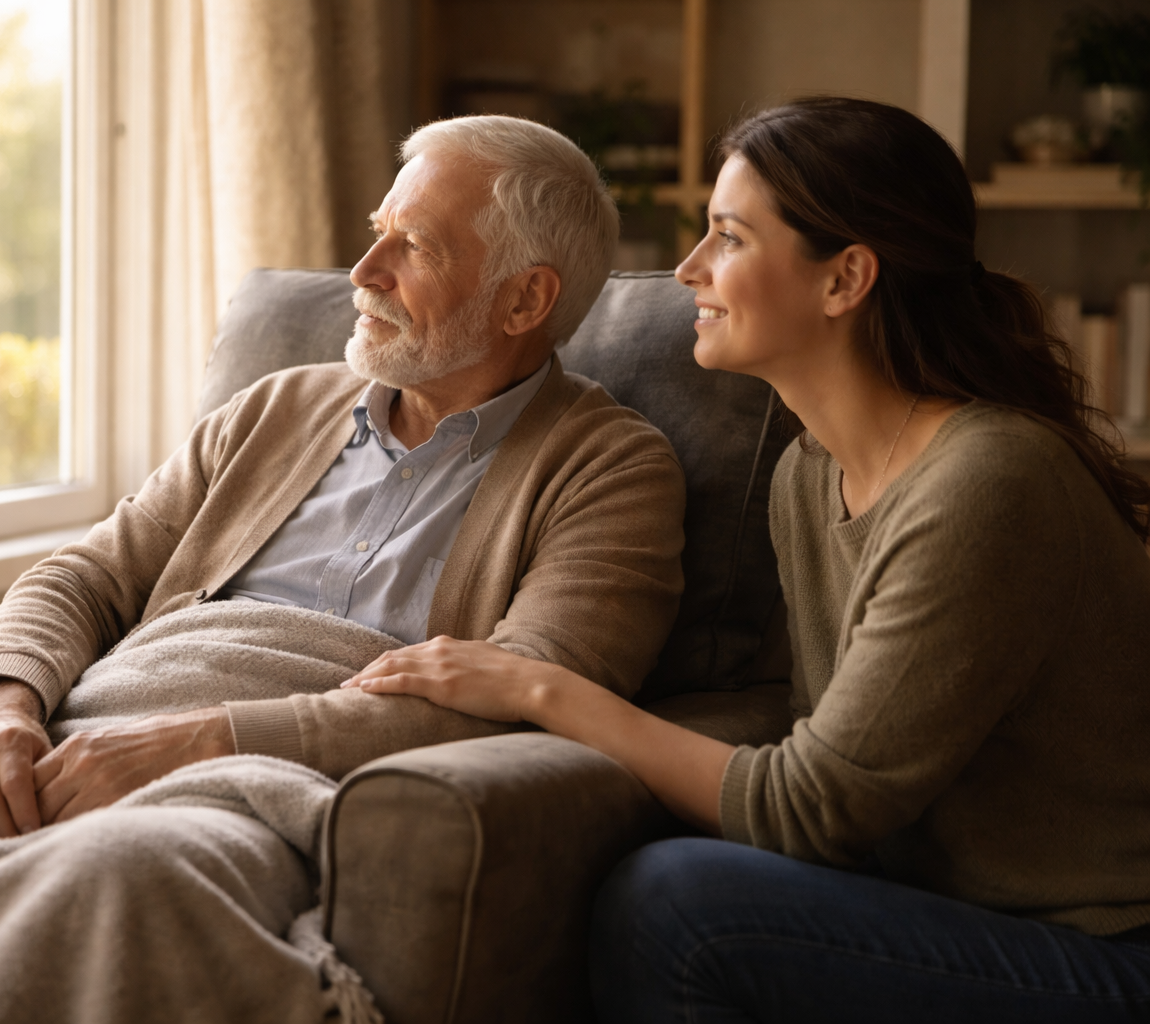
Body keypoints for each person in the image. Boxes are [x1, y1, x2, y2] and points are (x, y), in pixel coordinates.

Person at [0, 115, 687, 1022]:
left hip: (266, 768)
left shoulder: (613, 469)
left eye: (413, 247)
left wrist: (198, 739)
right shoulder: (280, 407)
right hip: (86, 706)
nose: (361, 274)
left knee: (119, 877)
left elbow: (534, 700)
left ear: (521, 299)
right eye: (375, 236)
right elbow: (82, 576)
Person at [344, 96, 1150, 1022]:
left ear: (845, 278)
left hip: (1107, 946)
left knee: (681, 903)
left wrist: (539, 689)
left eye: (728, 238)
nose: (688, 270)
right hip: (961, 914)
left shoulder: (989, 483)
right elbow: (824, 759)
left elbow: (815, 808)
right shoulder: (808, 477)